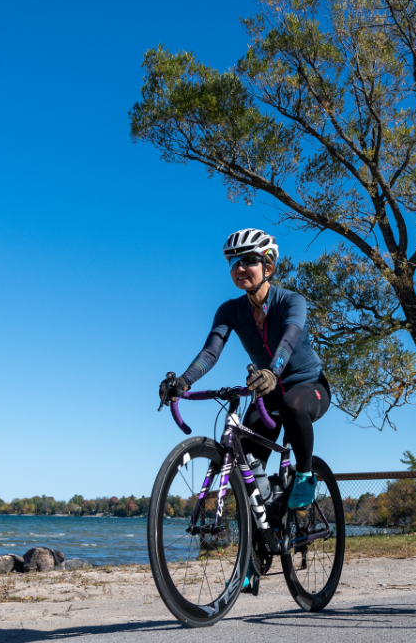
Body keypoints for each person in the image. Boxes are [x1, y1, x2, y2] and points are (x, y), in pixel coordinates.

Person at [158, 227, 330, 592]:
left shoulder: (291, 300)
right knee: (245, 462)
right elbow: (211, 351)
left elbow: (287, 341)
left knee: (290, 403)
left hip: (306, 386)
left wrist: (273, 371)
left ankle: (303, 477)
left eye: (249, 261)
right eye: (235, 263)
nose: (240, 268)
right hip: (265, 392)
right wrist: (184, 382)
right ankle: (259, 540)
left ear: (268, 265)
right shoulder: (230, 310)